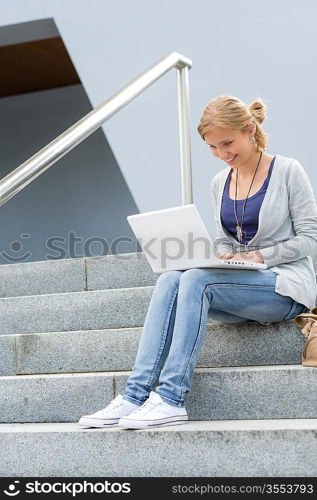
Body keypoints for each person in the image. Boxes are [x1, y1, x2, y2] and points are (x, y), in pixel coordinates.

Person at [79, 95, 317, 430]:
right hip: (240, 283)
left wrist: (259, 256)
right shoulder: (220, 181)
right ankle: (134, 396)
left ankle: (172, 398)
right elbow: (225, 238)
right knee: (171, 278)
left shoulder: (288, 170)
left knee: (194, 279)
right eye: (212, 147)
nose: (222, 154)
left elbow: (311, 238)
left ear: (250, 130)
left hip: (285, 287)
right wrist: (220, 254)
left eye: (227, 143)